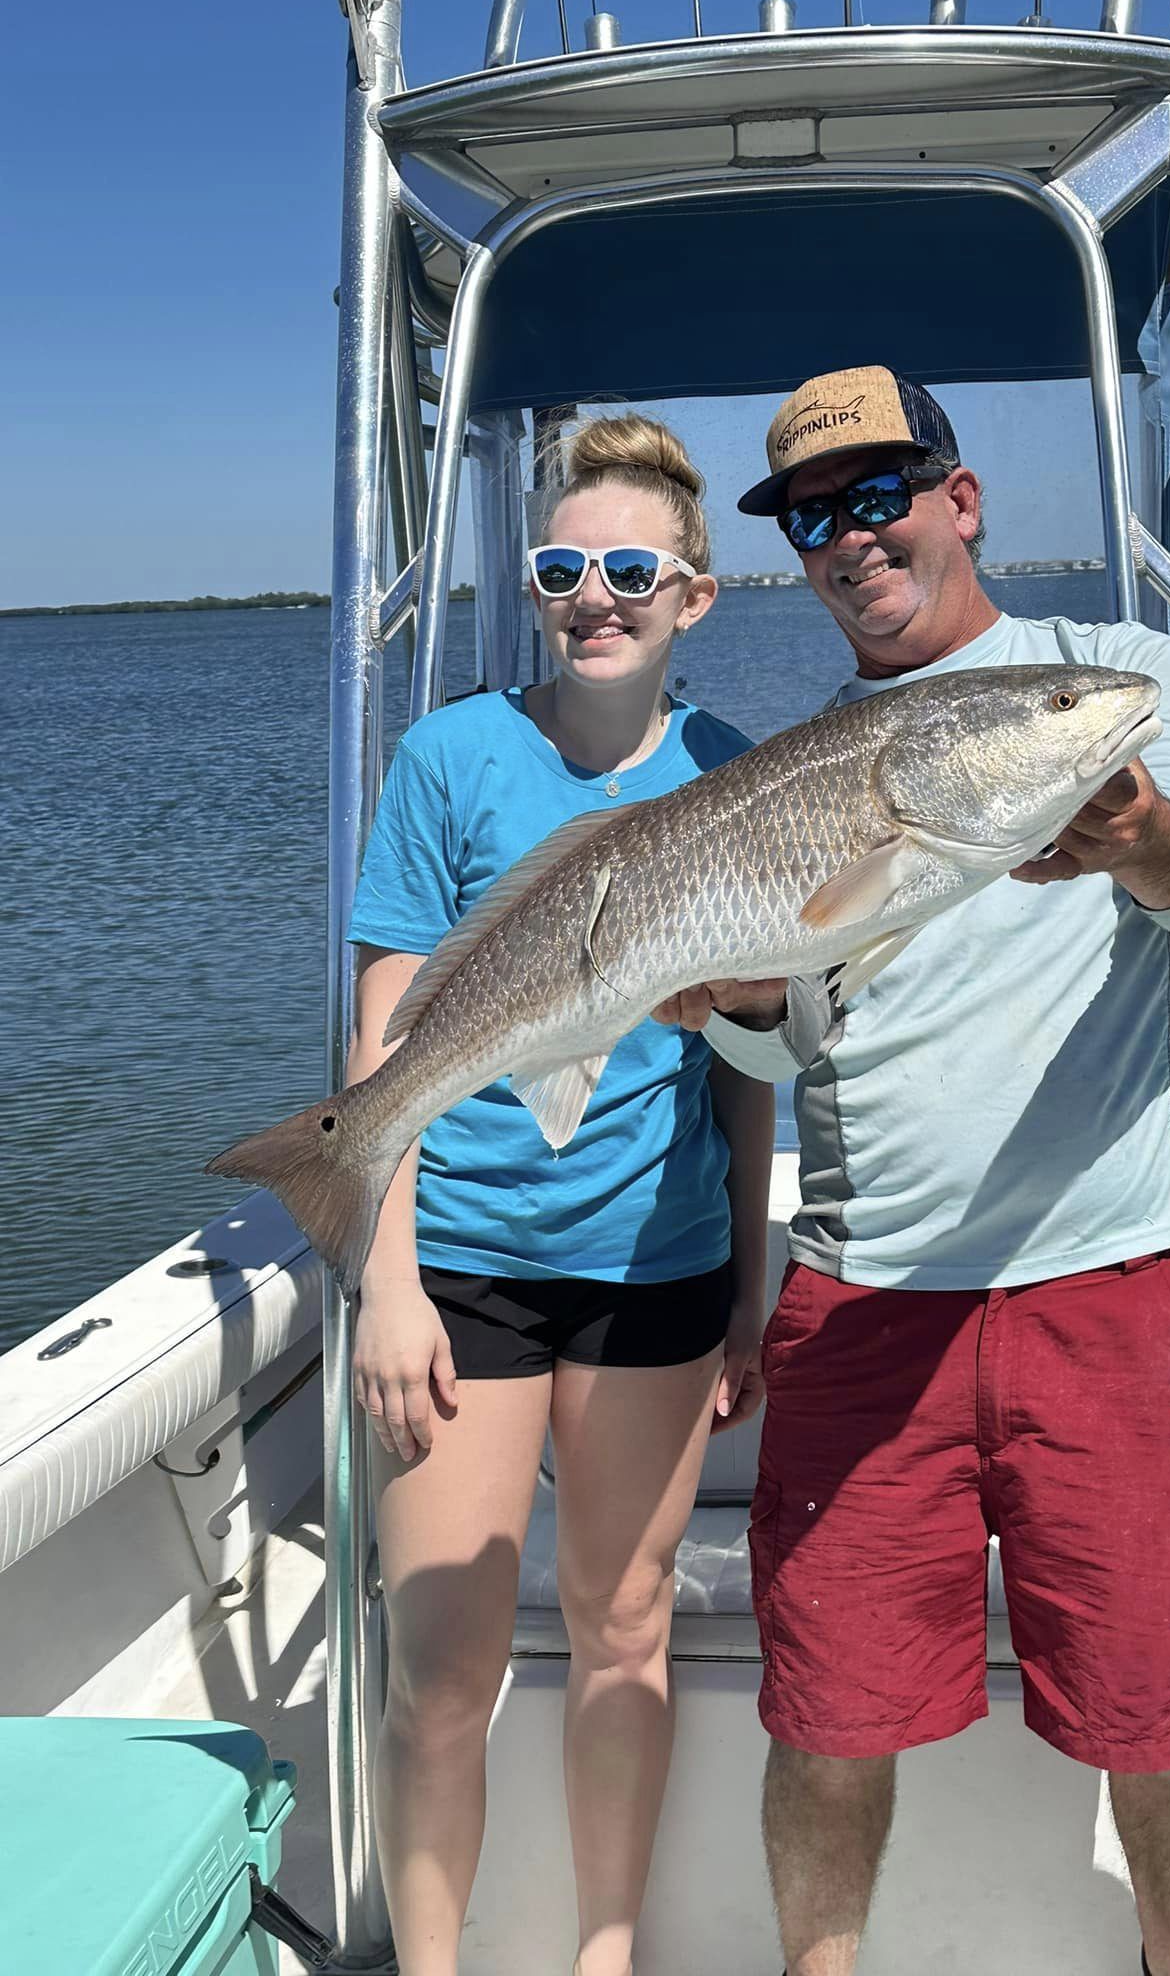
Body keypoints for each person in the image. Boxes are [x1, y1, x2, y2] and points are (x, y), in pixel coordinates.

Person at [655, 366, 1170, 1976]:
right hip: (865, 1310)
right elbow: (792, 1053)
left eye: (880, 495)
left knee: (1161, 1714)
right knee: (828, 1719)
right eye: (809, 517)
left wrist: (1141, 837)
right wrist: (734, 1005)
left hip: (1113, 1289)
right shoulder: (788, 777)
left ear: (960, 497)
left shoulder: (1116, 678)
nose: (852, 540)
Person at [344, 414, 774, 1976]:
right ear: (532, 587)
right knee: (441, 1670)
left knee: (625, 1629)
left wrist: (749, 1287)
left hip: (658, 1267)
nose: (595, 595)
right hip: (458, 1260)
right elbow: (385, 1034)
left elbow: (745, 1059)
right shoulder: (448, 757)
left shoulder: (735, 769)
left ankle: (606, 1956)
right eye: (561, 567)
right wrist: (383, 1282)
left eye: (630, 568)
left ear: (694, 595)